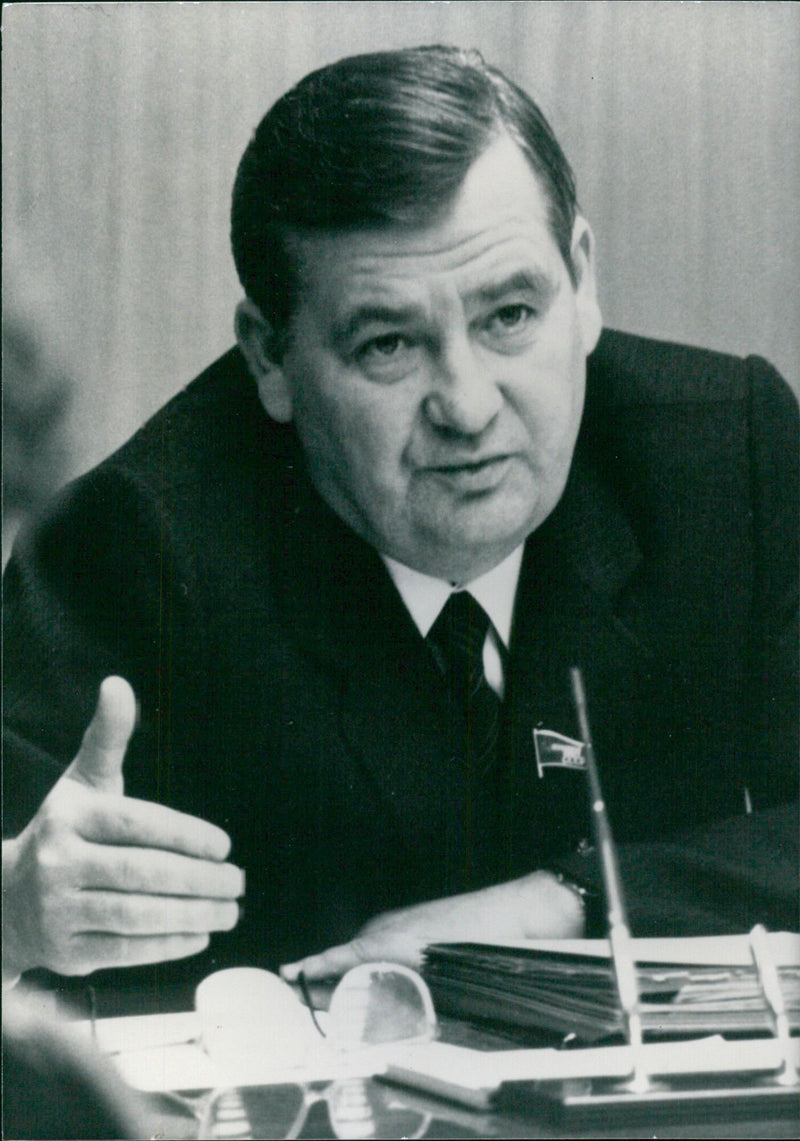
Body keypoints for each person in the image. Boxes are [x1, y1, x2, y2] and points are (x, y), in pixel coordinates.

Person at [3, 46, 797, 1014]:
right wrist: (14, 908)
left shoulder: (723, 455)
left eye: (508, 315)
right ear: (271, 356)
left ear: (580, 279)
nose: (465, 405)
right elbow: (25, 867)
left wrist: (561, 900)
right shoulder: (133, 541)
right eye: (387, 343)